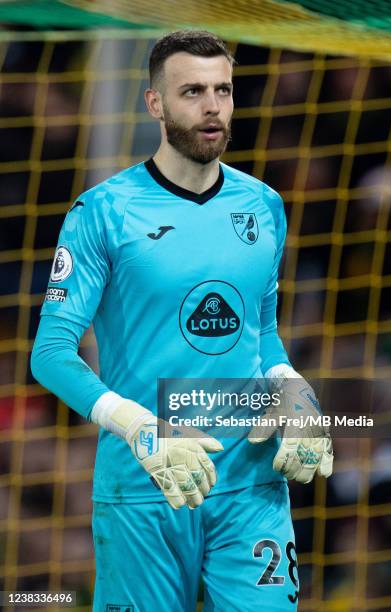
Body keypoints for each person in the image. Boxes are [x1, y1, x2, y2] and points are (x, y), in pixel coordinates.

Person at [31, 30, 333, 612]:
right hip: (146, 485)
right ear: (155, 104)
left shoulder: (265, 205)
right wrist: (139, 426)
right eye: (192, 91)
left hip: (251, 482)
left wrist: (294, 390)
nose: (212, 106)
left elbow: (262, 334)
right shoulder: (103, 212)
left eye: (223, 90)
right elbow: (51, 354)